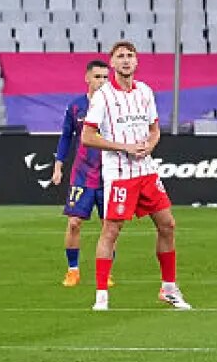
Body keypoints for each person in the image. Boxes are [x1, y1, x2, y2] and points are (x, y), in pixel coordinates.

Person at [81, 41, 192, 311]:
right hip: (119, 174)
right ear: (112, 63)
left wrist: (150, 145)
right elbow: (87, 136)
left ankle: (168, 288)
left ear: (137, 61)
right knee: (111, 230)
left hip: (147, 171)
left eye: (130, 55)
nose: (126, 60)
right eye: (120, 56)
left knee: (168, 224)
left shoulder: (145, 92)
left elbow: (154, 130)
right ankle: (101, 295)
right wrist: (124, 147)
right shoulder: (103, 97)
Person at [52, 59, 111, 287]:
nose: (102, 82)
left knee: (110, 226)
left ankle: (106, 273)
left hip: (108, 174)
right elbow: (66, 137)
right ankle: (73, 270)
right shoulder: (76, 106)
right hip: (82, 174)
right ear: (87, 78)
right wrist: (58, 165)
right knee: (75, 222)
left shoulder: (114, 107)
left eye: (106, 77)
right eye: (98, 77)